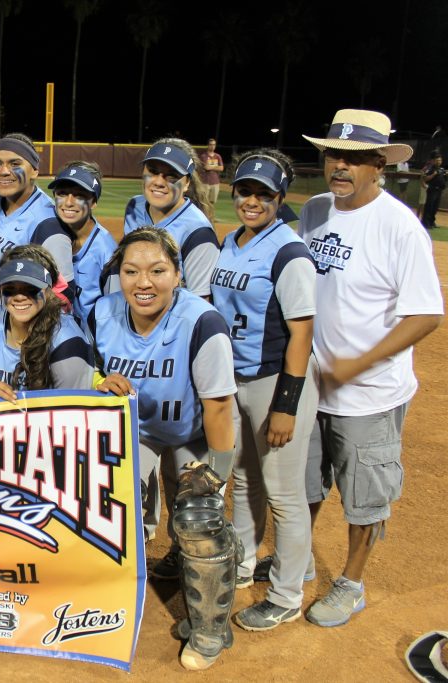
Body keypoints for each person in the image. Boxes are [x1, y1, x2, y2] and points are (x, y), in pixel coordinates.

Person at [299, 109, 443, 627]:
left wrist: (358, 362)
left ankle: (352, 582)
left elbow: (426, 313)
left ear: (378, 164)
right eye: (335, 155)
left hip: (370, 395)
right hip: (311, 386)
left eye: (355, 158)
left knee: (364, 497)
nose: (341, 166)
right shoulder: (314, 211)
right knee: (307, 485)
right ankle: (295, 560)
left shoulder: (399, 227)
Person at [89, 226, 236, 670]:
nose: (143, 282)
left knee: (197, 517)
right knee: (107, 502)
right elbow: (91, 365)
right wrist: (99, 380)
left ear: (178, 275)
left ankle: (211, 628)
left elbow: (219, 408)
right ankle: (102, 605)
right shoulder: (104, 311)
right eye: (131, 271)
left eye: (157, 270)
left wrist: (217, 474)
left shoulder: (202, 321)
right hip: (140, 430)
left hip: (193, 431)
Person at [209, 150, 319, 631]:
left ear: (280, 199)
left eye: (264, 194)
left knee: (285, 495)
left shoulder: (288, 251)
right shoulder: (231, 240)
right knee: (245, 478)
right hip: (238, 380)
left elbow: (302, 334)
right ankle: (245, 560)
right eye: (245, 191)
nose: (252, 201)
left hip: (277, 381)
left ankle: (287, 594)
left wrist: (286, 407)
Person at [0, 245, 93, 400]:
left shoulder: (68, 344)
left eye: (30, 288)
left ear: (49, 290)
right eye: (10, 289)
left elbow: (70, 413)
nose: (19, 297)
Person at [111, 138, 220, 299]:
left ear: (187, 183)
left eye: (172, 176)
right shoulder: (134, 206)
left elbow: (199, 302)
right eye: (153, 171)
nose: (159, 182)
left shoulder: (198, 232)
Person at [0, 133, 75, 310]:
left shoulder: (48, 223)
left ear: (35, 170)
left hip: (23, 324)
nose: (4, 171)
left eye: (15, 164)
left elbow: (64, 295)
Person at [46, 161, 117, 323]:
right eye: (62, 193)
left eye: (79, 195)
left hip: (90, 343)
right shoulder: (51, 231)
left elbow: (117, 309)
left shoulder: (106, 251)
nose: (69, 202)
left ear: (94, 201)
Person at [199, 138, 225, 222]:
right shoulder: (203, 156)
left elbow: (221, 168)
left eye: (214, 144)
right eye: (211, 144)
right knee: (204, 202)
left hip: (215, 182)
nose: (212, 146)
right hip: (205, 182)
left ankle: (211, 218)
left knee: (212, 202)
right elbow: (206, 167)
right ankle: (204, 217)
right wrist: (215, 167)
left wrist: (211, 167)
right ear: (208, 145)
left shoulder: (218, 156)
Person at [421, 150, 445, 229]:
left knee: (435, 207)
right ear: (433, 161)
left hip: (439, 190)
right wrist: (433, 174)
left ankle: (431, 222)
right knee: (429, 206)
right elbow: (425, 178)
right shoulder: (430, 168)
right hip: (432, 189)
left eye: (440, 160)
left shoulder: (441, 169)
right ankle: (426, 223)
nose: (439, 162)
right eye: (437, 160)